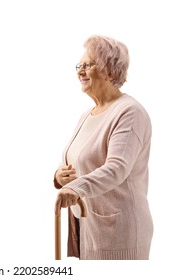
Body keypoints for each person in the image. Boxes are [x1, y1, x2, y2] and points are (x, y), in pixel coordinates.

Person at [54, 35, 153, 260]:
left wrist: (76, 188)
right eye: (79, 65)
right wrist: (60, 175)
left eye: (88, 65)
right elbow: (77, 160)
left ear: (110, 71)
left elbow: (117, 168)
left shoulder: (129, 112)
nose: (80, 71)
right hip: (89, 227)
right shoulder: (87, 115)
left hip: (119, 231)